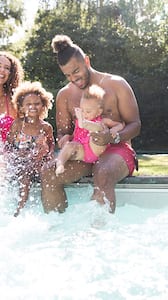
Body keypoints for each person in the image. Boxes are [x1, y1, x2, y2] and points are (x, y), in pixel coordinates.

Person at [41, 34, 141, 213]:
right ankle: (58, 232)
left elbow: (135, 125)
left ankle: (99, 236)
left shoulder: (117, 85)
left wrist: (112, 136)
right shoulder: (64, 95)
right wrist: (64, 140)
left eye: (76, 71)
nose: (73, 78)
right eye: (68, 75)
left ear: (86, 61)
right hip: (84, 152)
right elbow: (63, 132)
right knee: (49, 172)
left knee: (103, 172)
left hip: (117, 150)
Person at [6, 81, 55, 217]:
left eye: (37, 103)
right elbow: (8, 146)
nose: (33, 107)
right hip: (20, 163)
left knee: (49, 174)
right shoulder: (18, 125)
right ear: (21, 108)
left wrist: (49, 155)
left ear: (43, 105)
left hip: (37, 163)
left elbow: (51, 145)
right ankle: (19, 209)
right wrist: (17, 153)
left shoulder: (46, 127)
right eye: (28, 104)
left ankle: (49, 211)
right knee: (25, 177)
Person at [55, 84, 124, 175]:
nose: (84, 114)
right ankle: (60, 164)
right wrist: (68, 137)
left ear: (99, 111)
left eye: (88, 111)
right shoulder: (78, 121)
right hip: (82, 152)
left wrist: (114, 130)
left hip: (95, 149)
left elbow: (120, 125)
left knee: (99, 128)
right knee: (70, 145)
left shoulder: (103, 121)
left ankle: (86, 125)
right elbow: (77, 135)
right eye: (82, 110)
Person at [0, 51, 24, 144]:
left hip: (8, 156)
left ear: (11, 74)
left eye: (7, 68)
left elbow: (31, 128)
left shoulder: (15, 100)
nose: (2, 70)